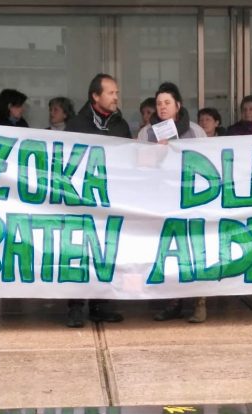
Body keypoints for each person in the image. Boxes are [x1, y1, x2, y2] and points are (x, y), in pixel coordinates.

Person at [137, 82, 208, 323]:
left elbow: (207, 162)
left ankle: (199, 302)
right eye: (159, 104)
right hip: (162, 200)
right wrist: (156, 153)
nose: (162, 107)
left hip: (192, 200)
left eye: (167, 103)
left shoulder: (196, 131)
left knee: (195, 250)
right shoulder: (147, 133)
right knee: (170, 252)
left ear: (178, 105)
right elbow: (140, 167)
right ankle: (173, 302)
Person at [63, 74, 130, 328]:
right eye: (111, 93)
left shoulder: (121, 125)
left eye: (116, 93)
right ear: (95, 96)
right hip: (81, 200)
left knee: (105, 251)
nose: (116, 97)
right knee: (78, 251)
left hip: (110, 201)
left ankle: (100, 304)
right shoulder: (76, 125)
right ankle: (75, 306)